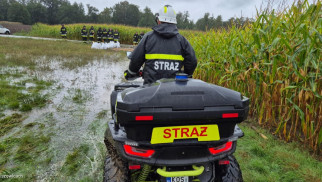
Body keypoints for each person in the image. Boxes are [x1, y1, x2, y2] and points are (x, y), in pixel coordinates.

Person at [125, 5, 197, 84]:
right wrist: (186, 75)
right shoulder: (182, 40)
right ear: (174, 22)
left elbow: (136, 59)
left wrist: (131, 73)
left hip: (150, 89)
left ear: (159, 20)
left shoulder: (148, 37)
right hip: (173, 89)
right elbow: (192, 61)